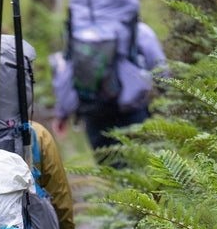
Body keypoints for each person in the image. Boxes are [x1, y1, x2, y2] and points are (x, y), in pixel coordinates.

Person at [51, 19, 168, 162]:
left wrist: (62, 113)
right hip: (132, 109)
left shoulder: (80, 33)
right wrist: (167, 98)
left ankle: (113, 183)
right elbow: (161, 69)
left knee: (108, 166)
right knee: (134, 165)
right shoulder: (139, 30)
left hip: (93, 111)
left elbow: (67, 74)